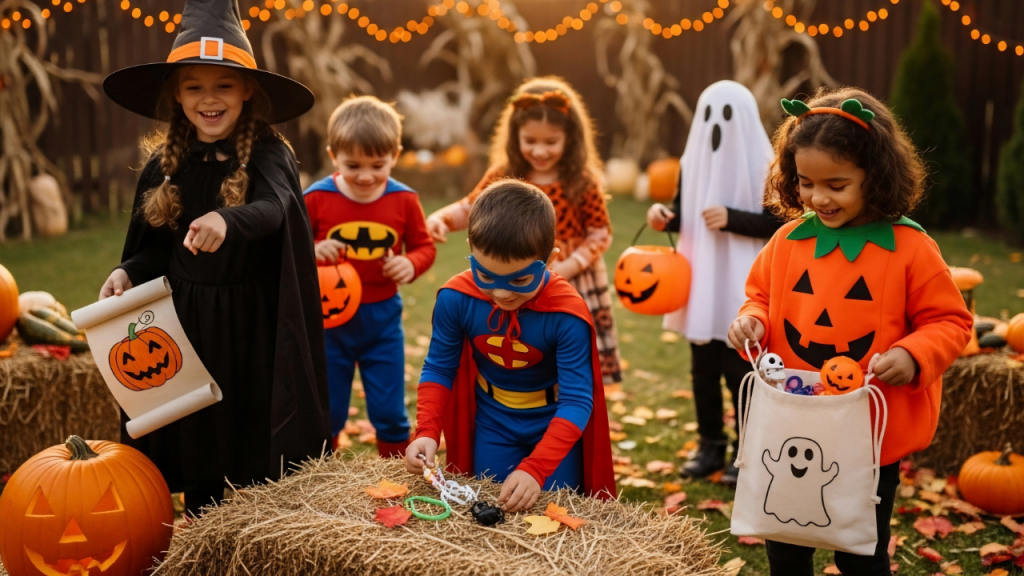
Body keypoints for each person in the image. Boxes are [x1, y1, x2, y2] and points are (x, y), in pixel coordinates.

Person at [728, 87, 972, 575]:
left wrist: (914, 354)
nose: (819, 197)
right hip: (794, 418)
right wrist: (753, 320)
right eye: (806, 183)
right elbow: (761, 297)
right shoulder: (788, 241)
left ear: (874, 176)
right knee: (785, 540)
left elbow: (950, 321)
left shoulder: (910, 249)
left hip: (867, 430)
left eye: (836, 185)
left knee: (860, 552)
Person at [99, 0, 329, 517]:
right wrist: (126, 271)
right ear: (176, 94)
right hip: (186, 325)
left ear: (247, 89)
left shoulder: (269, 153)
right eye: (194, 87)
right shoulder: (165, 163)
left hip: (251, 327)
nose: (209, 98)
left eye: (224, 85)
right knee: (196, 432)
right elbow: (154, 246)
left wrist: (228, 221)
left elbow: (275, 209)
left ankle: (258, 530)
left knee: (250, 432)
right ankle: (200, 524)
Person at [406, 180, 615, 512]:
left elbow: (577, 400)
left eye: (519, 279)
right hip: (492, 423)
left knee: (557, 512)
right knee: (489, 508)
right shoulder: (456, 299)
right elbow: (440, 368)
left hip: (553, 422)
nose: (502, 293)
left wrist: (537, 467)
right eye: (486, 276)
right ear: (471, 249)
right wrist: (427, 431)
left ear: (550, 259)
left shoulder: (566, 315)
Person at [425, 77, 622, 384]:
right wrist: (442, 219)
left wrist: (569, 266)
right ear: (514, 135)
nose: (540, 150)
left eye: (551, 142)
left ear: (570, 138)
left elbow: (600, 233)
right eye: (530, 140)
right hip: (514, 276)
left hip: (573, 277)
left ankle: (574, 401)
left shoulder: (581, 181)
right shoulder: (505, 174)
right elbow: (472, 206)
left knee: (570, 351)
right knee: (526, 346)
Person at [646, 81, 783, 485]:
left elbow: (780, 221)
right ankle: (710, 445)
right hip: (702, 281)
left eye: (726, 115)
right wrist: (666, 218)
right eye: (708, 115)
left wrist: (732, 218)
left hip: (743, 282)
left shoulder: (766, 165)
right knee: (702, 370)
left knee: (740, 371)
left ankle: (747, 450)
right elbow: (685, 211)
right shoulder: (692, 162)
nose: (716, 125)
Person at [303, 96, 436, 458]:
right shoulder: (315, 198)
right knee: (328, 409)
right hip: (328, 321)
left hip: (382, 321)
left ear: (395, 155)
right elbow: (289, 248)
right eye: (353, 165)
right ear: (333, 156)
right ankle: (323, 471)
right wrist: (313, 250)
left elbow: (424, 247)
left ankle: (394, 470)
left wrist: (411, 264)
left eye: (377, 165)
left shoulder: (404, 200)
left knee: (390, 410)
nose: (365, 176)